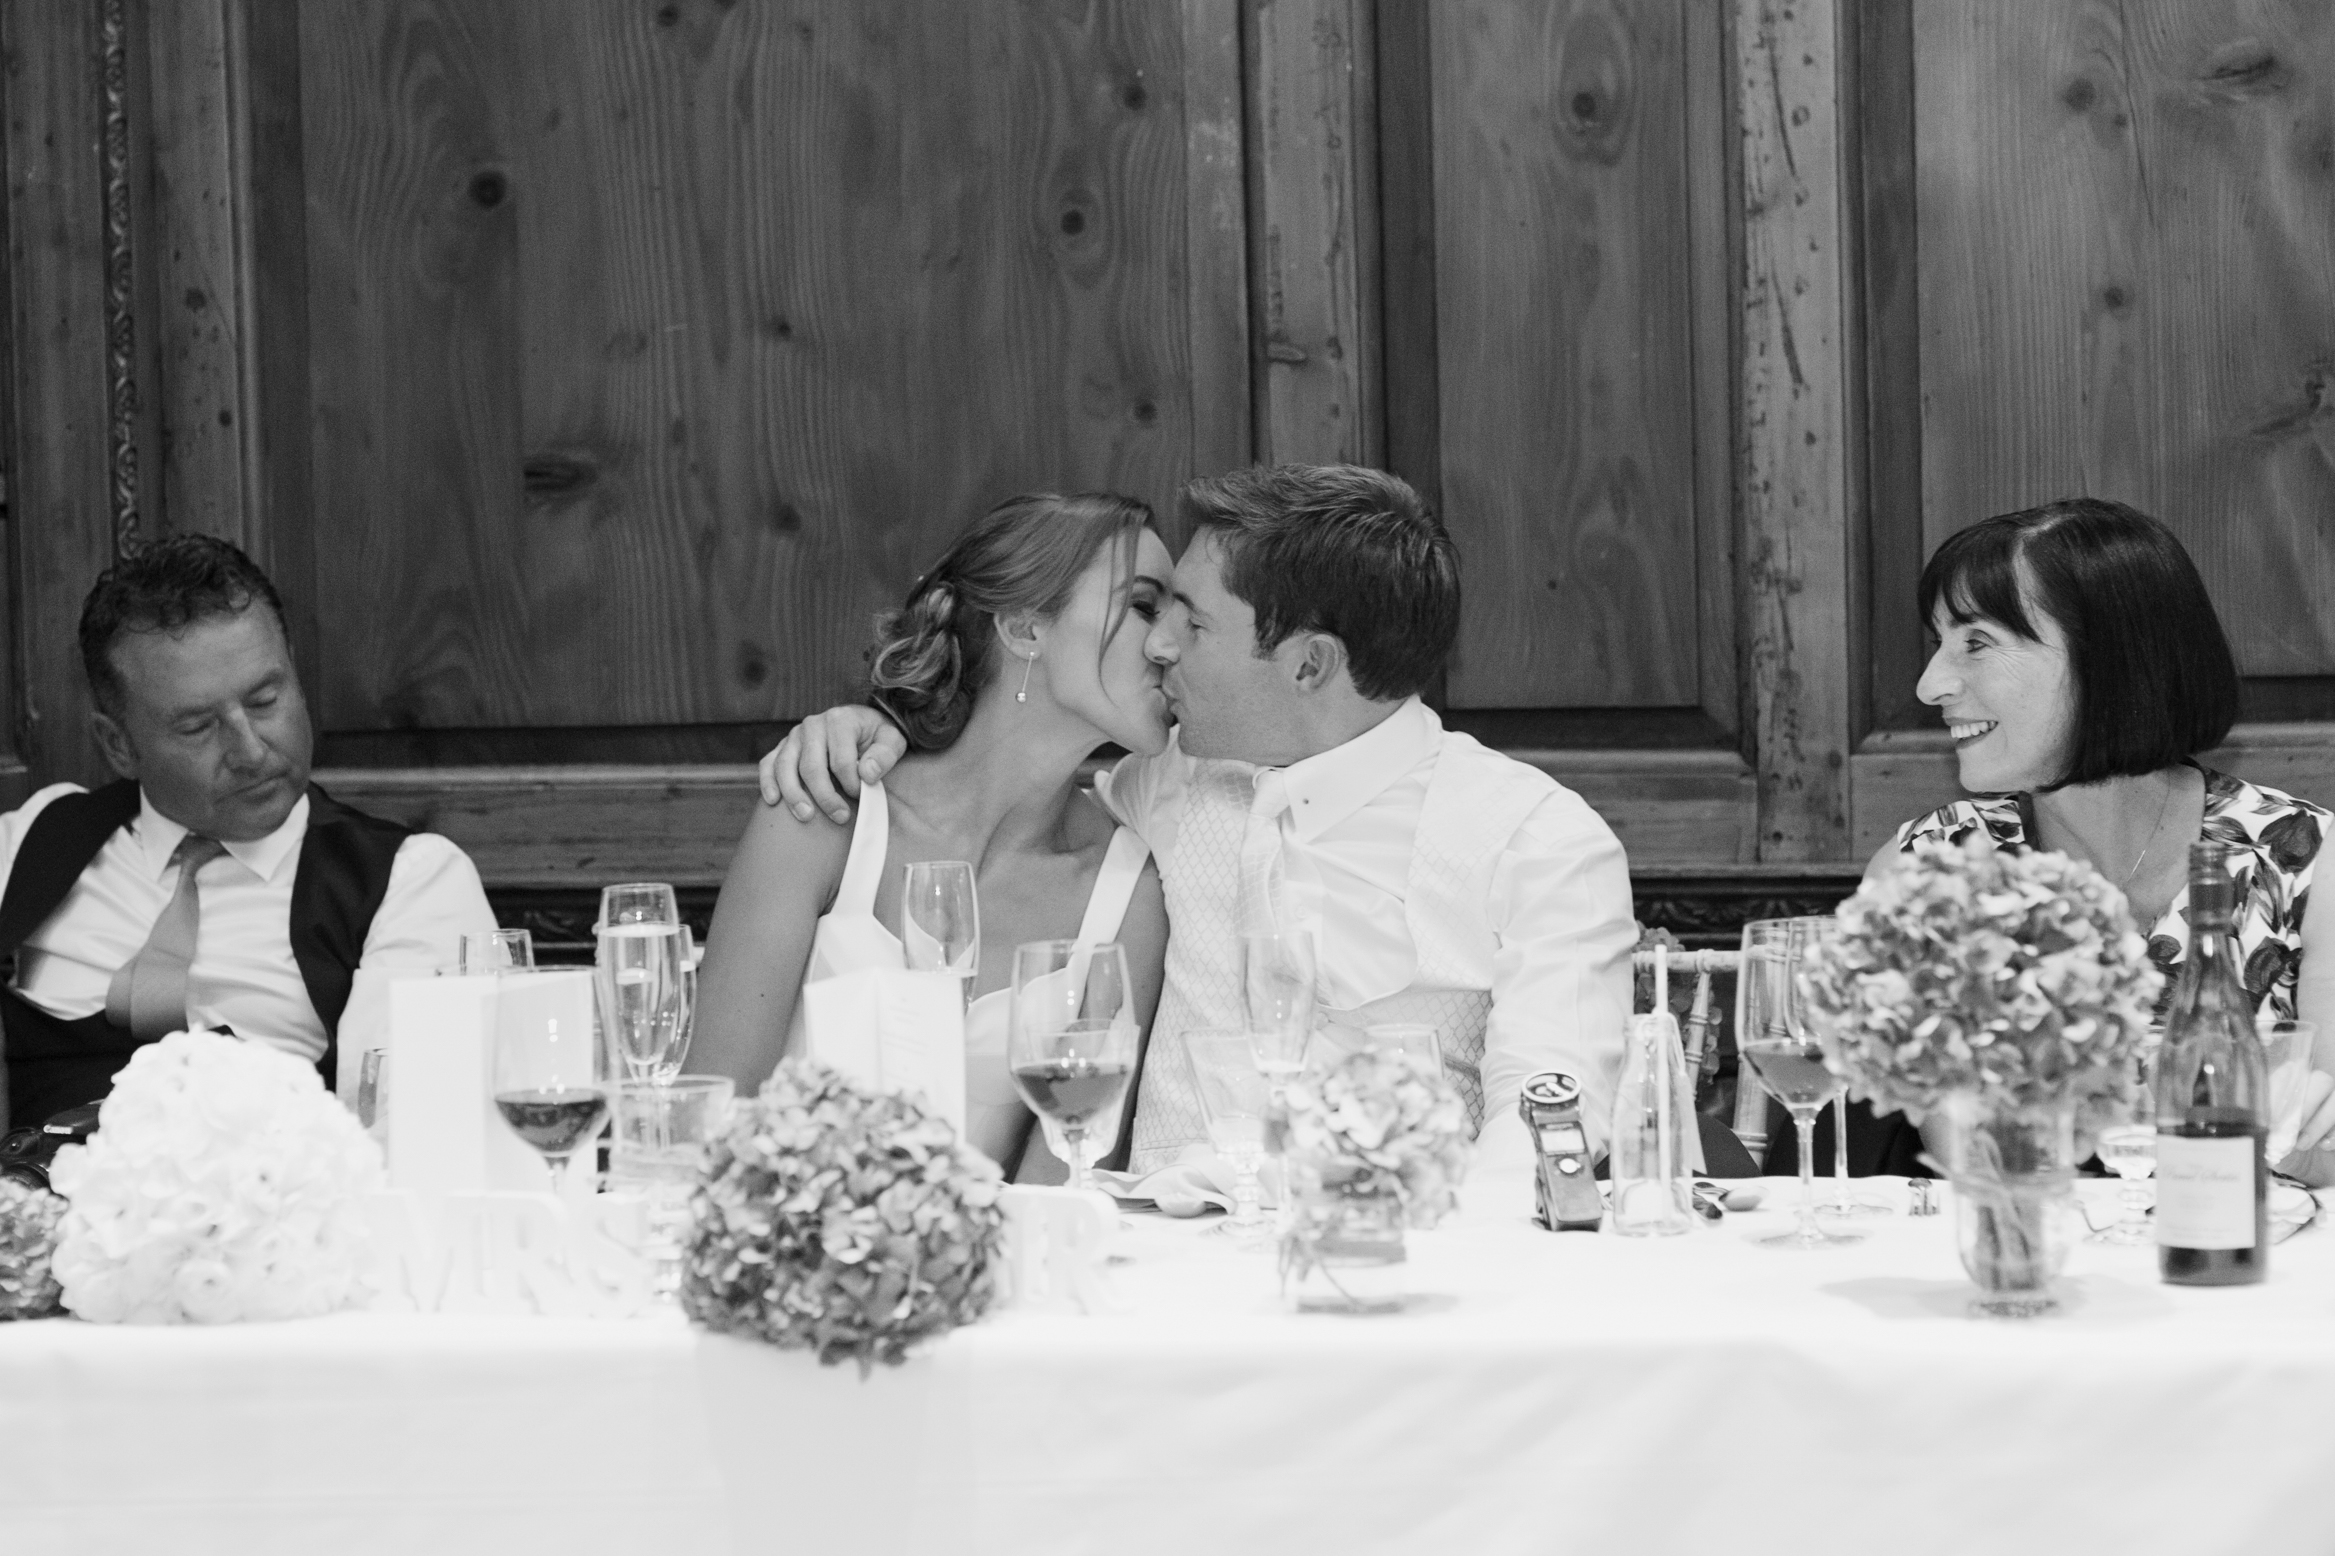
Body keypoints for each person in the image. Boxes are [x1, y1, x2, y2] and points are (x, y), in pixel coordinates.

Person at [760, 464, 1635, 1173]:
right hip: (1149, 1304)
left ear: (1307, 666)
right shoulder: (1157, 787)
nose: (1161, 645)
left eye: (1193, 621)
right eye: (1153, 608)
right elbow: (1002, 796)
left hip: (1383, 1299)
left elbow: (1546, 1122)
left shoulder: (1536, 842)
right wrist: (872, 732)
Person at [1842, 496, 2335, 1182]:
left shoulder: (2305, 856)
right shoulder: (1930, 869)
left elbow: (2323, 1153)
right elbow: (1980, 1159)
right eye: (1937, 644)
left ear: (2110, 657)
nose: (1929, 686)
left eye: (1975, 643)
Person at [691, 493, 1171, 1177]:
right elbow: (707, 1121)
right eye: (1144, 605)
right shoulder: (829, 813)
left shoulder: (1126, 893)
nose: (1167, 643)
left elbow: (1065, 1181)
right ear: (1025, 628)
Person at [0, 536, 497, 1131]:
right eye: (198, 726)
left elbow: (410, 1138)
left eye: (265, 700)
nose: (251, 749)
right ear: (118, 746)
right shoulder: (34, 840)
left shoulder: (409, 884)